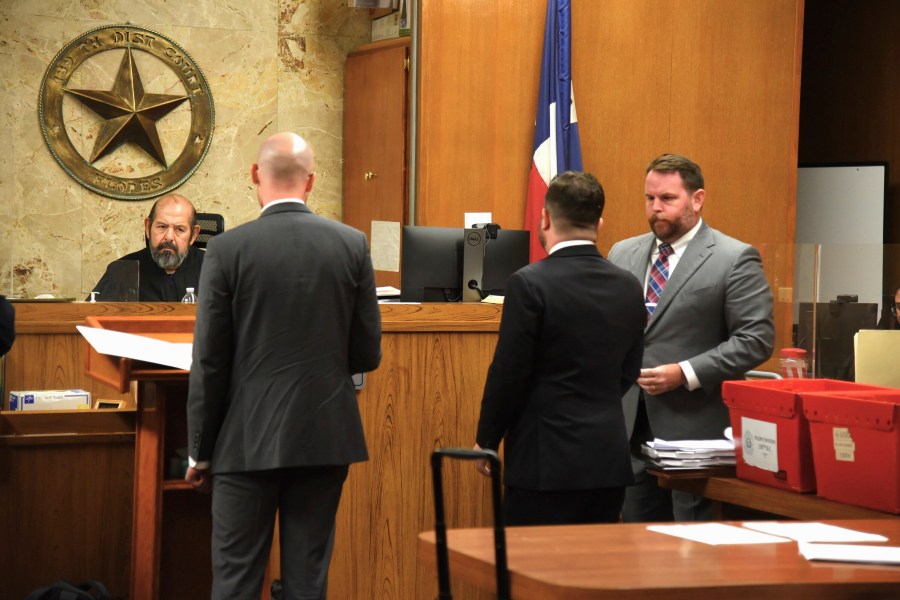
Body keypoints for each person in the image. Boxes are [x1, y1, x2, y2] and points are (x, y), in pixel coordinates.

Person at [185, 132, 381, 599]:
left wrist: (200, 450)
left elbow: (209, 360)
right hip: (324, 438)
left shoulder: (227, 250)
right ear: (311, 181)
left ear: (256, 174)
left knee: (235, 581)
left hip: (243, 441)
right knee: (307, 582)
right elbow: (367, 353)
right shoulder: (352, 244)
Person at [608, 153, 775, 522]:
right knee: (636, 548)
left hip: (694, 435)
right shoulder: (622, 253)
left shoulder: (733, 258)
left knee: (691, 548)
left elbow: (755, 339)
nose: (656, 209)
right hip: (629, 427)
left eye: (668, 199)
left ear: (697, 199)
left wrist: (684, 372)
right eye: (650, 199)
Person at [473, 171, 646, 526]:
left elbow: (509, 372)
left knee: (530, 574)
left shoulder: (528, 283)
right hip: (606, 462)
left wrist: (487, 440)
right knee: (592, 575)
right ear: (599, 221)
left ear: (546, 217)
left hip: (544, 463)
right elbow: (629, 369)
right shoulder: (629, 286)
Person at [90, 194, 203, 301]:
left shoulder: (214, 269)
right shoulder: (122, 272)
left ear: (193, 235)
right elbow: (89, 318)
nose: (169, 237)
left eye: (179, 229)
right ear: (148, 227)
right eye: (162, 226)